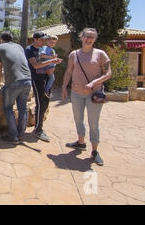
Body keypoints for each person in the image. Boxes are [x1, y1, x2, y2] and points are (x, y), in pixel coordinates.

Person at [61, 28, 112, 166]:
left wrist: (94, 83)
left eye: (91, 37)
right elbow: (69, 71)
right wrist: (64, 86)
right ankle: (81, 142)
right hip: (76, 93)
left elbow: (108, 74)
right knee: (78, 119)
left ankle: (95, 151)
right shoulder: (74, 54)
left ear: (95, 39)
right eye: (86, 36)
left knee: (93, 123)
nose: (88, 39)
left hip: (94, 95)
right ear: (81, 37)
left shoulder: (100, 54)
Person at [0, 31, 32, 145]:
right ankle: (21, 135)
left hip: (13, 82)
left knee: (8, 108)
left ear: (1, 39)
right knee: (22, 109)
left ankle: (13, 135)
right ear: (12, 39)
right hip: (27, 80)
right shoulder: (19, 46)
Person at [25, 32, 63, 142]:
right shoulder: (29, 49)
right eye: (42, 40)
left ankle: (39, 127)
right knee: (41, 103)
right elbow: (36, 65)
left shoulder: (42, 49)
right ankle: (38, 130)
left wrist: (52, 60)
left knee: (45, 103)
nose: (44, 41)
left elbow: (44, 59)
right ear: (35, 39)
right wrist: (53, 61)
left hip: (46, 78)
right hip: (37, 79)